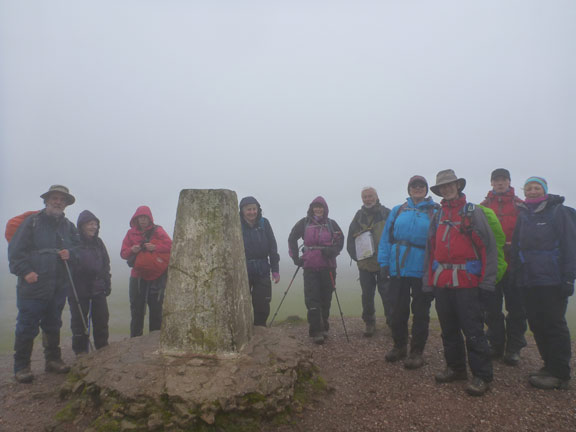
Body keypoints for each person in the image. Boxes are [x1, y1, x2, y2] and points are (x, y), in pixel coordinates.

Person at [424, 169, 497, 396]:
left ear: (458, 186)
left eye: (450, 185)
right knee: (448, 329)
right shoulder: (437, 215)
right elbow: (430, 250)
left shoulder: (472, 212)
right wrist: (427, 283)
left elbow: (488, 248)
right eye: (442, 187)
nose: (447, 189)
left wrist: (487, 282)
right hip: (442, 282)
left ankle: (482, 376)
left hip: (467, 282)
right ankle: (455, 368)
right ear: (439, 191)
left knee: (473, 330)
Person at [8, 185, 80, 383]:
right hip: (33, 286)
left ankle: (53, 360)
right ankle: (21, 367)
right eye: (54, 198)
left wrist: (70, 253)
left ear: (66, 204)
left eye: (62, 199)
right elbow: (15, 252)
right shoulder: (32, 223)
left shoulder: (69, 226)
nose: (58, 202)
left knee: (53, 324)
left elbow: (78, 248)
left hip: (58, 286)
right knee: (26, 326)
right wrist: (26, 272)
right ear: (47, 200)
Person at [511, 176, 575, 390]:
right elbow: (517, 246)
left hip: (552, 280)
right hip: (529, 279)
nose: (532, 191)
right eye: (529, 188)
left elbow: (569, 245)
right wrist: (516, 275)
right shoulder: (524, 214)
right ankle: (549, 365)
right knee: (537, 323)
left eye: (537, 187)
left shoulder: (558, 212)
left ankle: (560, 373)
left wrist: (568, 277)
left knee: (554, 324)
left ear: (544, 190)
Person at [378, 176, 438, 368]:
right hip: (398, 268)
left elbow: (439, 242)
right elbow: (386, 238)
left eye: (421, 186)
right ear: (409, 189)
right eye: (414, 186)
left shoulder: (435, 211)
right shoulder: (398, 210)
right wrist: (383, 262)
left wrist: (436, 268)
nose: (418, 188)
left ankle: (417, 352)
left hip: (422, 268)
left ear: (426, 189)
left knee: (421, 312)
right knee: (397, 310)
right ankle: (399, 346)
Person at [480, 168, 527, 365]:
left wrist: (514, 246)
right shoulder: (483, 206)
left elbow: (528, 233)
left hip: (515, 264)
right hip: (492, 265)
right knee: (491, 308)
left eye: (503, 180)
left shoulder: (521, 206)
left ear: (509, 182)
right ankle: (496, 344)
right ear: (491, 183)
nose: (500, 183)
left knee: (516, 308)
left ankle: (514, 348)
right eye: (496, 180)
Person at [288, 196, 344, 344]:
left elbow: (340, 241)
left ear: (325, 209)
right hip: (310, 266)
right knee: (312, 299)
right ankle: (316, 330)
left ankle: (324, 325)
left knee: (326, 298)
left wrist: (333, 251)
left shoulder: (332, 224)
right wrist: (295, 258)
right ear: (311, 208)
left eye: (321, 207)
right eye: (316, 207)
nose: (318, 209)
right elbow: (292, 238)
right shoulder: (304, 223)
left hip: (328, 266)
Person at [121, 206, 172, 338]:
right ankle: (135, 340)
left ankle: (154, 340)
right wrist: (132, 249)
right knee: (137, 310)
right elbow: (123, 253)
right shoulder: (130, 233)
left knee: (156, 309)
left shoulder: (158, 230)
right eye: (140, 218)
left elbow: (171, 245)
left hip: (157, 277)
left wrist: (156, 247)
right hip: (137, 277)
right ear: (136, 219)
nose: (142, 220)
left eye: (145, 218)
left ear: (150, 219)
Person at [347, 187, 391, 337]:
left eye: (370, 196)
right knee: (367, 295)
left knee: (387, 294)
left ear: (376, 196)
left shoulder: (387, 213)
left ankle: (392, 323)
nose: (368, 199)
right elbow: (350, 240)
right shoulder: (358, 216)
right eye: (365, 197)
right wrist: (357, 258)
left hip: (384, 263)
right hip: (365, 265)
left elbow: (395, 236)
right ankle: (369, 323)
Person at [69, 210, 111, 355]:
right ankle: (81, 352)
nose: (93, 227)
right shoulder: (74, 242)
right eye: (90, 224)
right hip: (79, 288)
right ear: (81, 226)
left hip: (98, 286)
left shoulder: (98, 243)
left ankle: (102, 348)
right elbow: (70, 262)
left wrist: (107, 282)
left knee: (102, 318)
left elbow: (106, 263)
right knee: (79, 322)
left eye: (95, 224)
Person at [239, 196, 280, 326]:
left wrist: (275, 270)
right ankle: (243, 332)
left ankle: (260, 330)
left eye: (254, 209)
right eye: (248, 209)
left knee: (262, 303)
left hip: (262, 269)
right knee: (240, 303)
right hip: (242, 270)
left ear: (258, 209)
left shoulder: (264, 223)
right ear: (242, 211)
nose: (252, 212)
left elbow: (273, 247)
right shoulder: (236, 225)